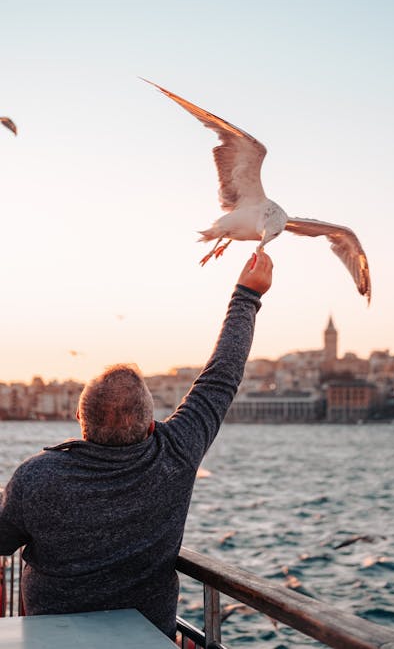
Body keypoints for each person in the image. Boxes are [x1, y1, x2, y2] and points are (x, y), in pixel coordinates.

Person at [0, 251, 273, 640]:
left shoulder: (35, 477)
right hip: (147, 636)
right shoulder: (175, 453)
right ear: (149, 425)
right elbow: (221, 376)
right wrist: (247, 295)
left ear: (82, 423)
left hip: (52, 636)